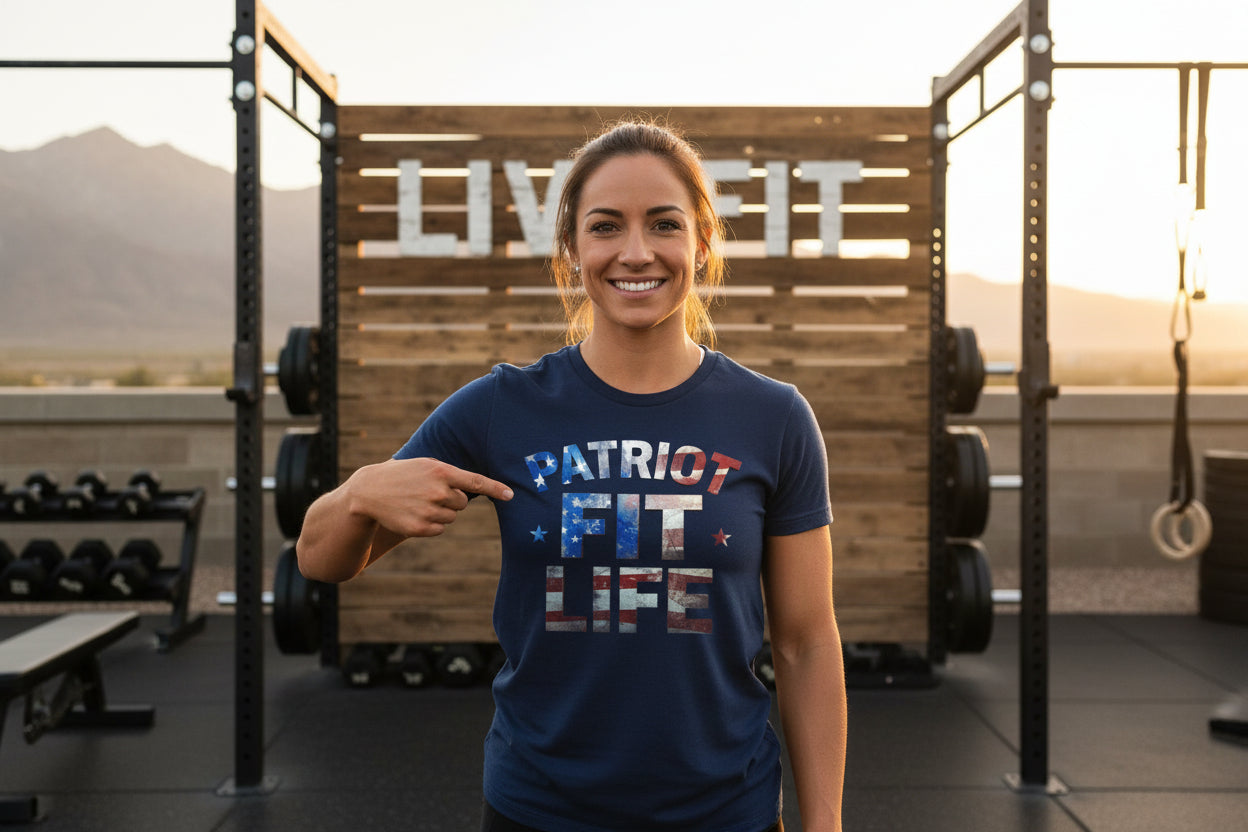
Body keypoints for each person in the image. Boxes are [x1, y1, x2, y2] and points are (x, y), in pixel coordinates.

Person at [297, 120, 847, 832]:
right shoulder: (502, 408)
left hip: (725, 811)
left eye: (664, 224)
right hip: (539, 809)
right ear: (571, 251)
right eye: (605, 226)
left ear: (702, 245)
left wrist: (825, 825)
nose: (636, 252)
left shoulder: (773, 418)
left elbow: (806, 644)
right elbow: (320, 558)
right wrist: (361, 492)